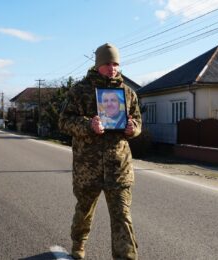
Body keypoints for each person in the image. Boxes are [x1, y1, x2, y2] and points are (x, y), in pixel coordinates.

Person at [59, 43, 142, 260]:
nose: (112, 68)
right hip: (88, 167)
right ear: (98, 65)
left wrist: (134, 129)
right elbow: (64, 121)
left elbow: (138, 122)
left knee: (123, 216)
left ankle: (126, 257)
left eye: (115, 63)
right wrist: (89, 126)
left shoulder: (128, 93)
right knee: (84, 211)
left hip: (119, 166)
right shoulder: (80, 90)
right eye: (107, 63)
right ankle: (78, 244)